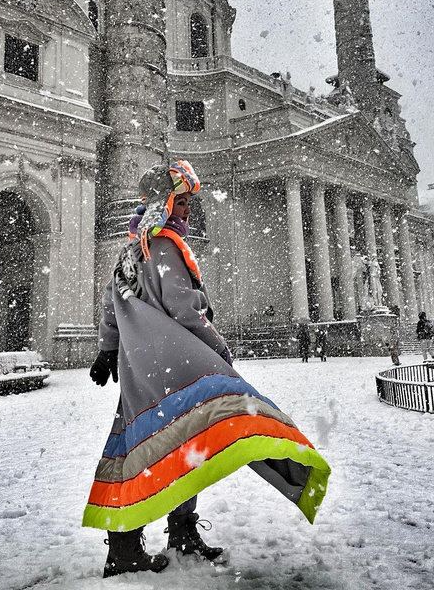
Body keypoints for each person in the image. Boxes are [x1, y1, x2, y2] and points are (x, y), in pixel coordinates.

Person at [83, 160, 330, 577]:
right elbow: (185, 309)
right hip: (177, 364)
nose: (188, 210)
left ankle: (132, 544)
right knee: (197, 439)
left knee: (141, 451)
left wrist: (107, 353)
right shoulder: (165, 246)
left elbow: (111, 307)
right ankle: (175, 533)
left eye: (189, 202)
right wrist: (219, 347)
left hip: (140, 371)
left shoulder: (128, 252)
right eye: (181, 202)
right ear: (163, 203)